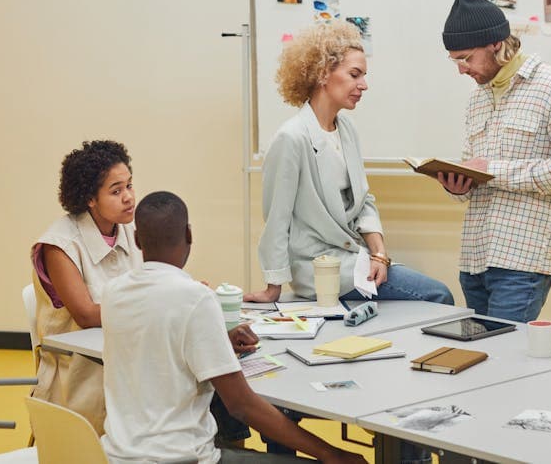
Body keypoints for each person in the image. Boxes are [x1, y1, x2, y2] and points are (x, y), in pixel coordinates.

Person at [101, 191, 366, 464]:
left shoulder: (112, 293)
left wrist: (218, 341)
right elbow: (241, 406)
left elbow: (156, 347)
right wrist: (333, 454)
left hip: (116, 456)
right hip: (182, 458)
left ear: (136, 240)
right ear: (189, 235)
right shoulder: (196, 298)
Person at [246, 19, 453, 307]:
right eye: (355, 74)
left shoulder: (347, 130)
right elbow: (276, 220)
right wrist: (273, 286)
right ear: (322, 74)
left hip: (355, 259)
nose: (363, 85)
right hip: (319, 268)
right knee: (438, 295)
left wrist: (379, 253)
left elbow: (363, 200)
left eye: (364, 76)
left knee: (432, 295)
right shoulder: (291, 138)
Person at [435, 0, 551, 322]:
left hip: (524, 260)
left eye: (465, 58)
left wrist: (492, 170)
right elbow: (474, 168)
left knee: (505, 361)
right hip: (475, 257)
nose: (461, 70)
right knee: (480, 360)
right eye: (455, 60)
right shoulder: (478, 99)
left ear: (495, 44)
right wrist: (459, 185)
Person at [29, 140, 142, 433]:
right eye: (116, 191)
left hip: (125, 356)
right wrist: (155, 303)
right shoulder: (60, 245)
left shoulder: (130, 229)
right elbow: (87, 315)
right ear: (90, 199)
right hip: (79, 375)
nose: (129, 197)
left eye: (129, 185)